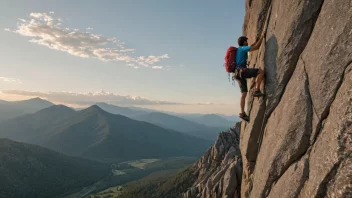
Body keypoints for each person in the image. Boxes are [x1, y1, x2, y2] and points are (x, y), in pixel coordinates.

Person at [235, 31, 266, 121]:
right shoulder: (242, 48)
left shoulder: (238, 50)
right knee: (260, 71)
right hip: (242, 72)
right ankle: (257, 90)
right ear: (244, 42)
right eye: (246, 41)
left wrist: (256, 41)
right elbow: (256, 47)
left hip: (237, 74)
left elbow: (252, 46)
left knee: (243, 94)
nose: (247, 42)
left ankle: (242, 113)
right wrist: (262, 38)